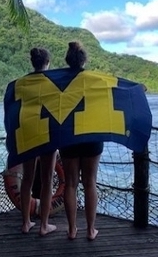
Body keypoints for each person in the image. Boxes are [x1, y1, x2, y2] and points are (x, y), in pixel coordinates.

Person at [59, 41, 103, 241]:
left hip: (68, 136)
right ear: (84, 60)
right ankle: (91, 230)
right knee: (90, 183)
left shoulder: (58, 81)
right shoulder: (95, 80)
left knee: (70, 184)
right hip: (92, 134)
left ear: (68, 60)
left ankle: (71, 229)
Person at [19, 47, 57, 236]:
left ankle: (26, 223)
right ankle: (44, 225)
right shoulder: (53, 82)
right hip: (47, 134)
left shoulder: (22, 83)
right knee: (47, 179)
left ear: (32, 63)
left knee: (27, 178)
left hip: (27, 133)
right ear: (48, 63)